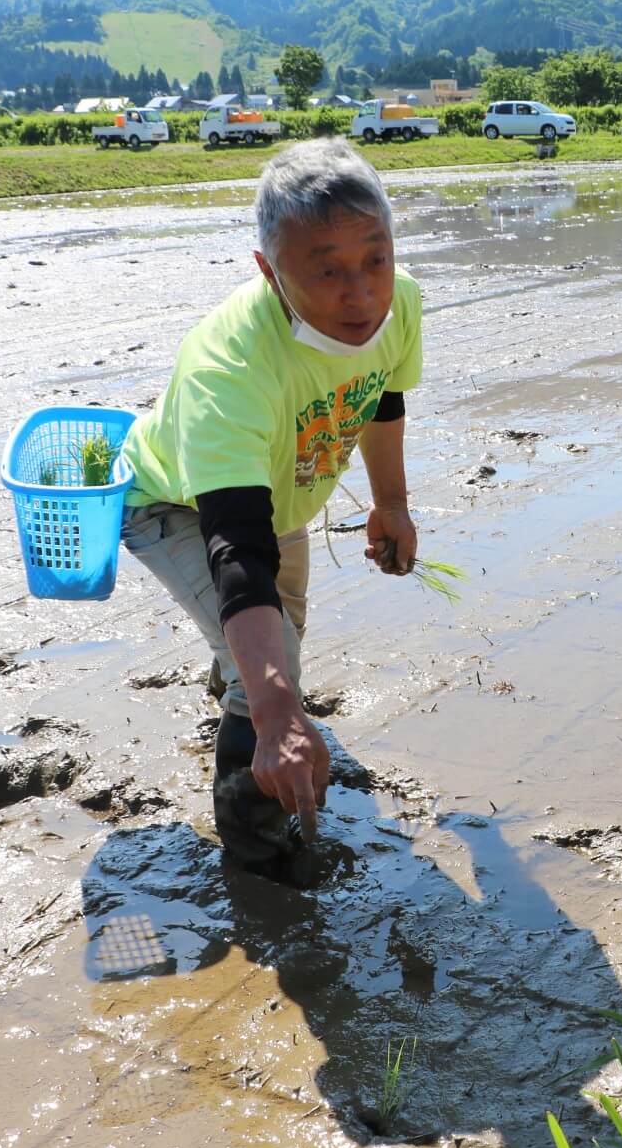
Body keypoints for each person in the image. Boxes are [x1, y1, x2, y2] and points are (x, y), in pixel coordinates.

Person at [119, 138, 424, 879]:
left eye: (373, 260)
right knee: (270, 677)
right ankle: (256, 852)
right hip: (176, 503)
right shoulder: (230, 368)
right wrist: (279, 712)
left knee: (270, 652)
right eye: (325, 270)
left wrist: (391, 503)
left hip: (280, 498)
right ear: (269, 270)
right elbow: (236, 548)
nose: (359, 294)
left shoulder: (401, 300)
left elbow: (383, 394)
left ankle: (238, 682)